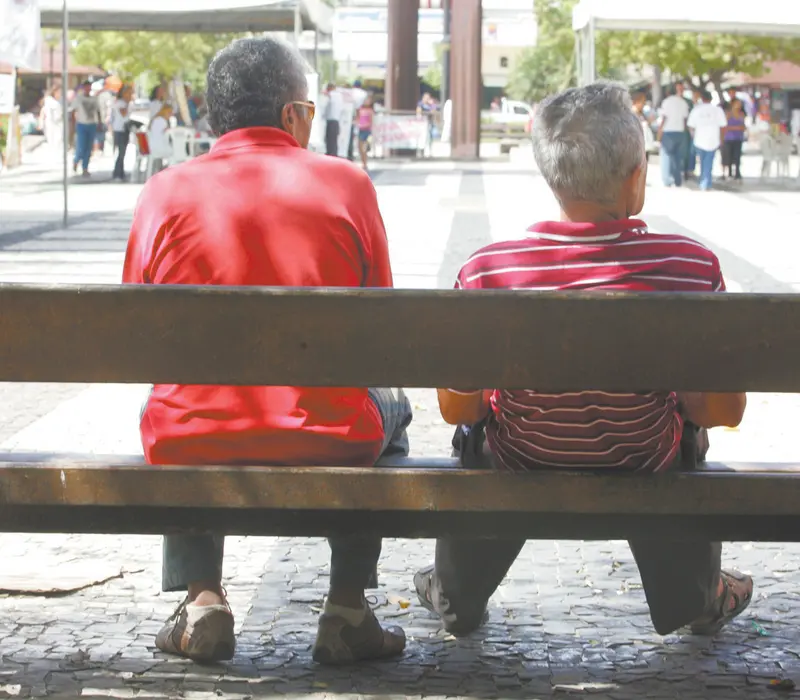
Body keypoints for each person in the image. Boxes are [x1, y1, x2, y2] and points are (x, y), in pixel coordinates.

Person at [413, 81, 752, 641]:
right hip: (647, 459)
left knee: (479, 437)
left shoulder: (488, 272)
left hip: (520, 458)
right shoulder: (688, 268)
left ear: (552, 176)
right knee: (684, 436)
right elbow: (721, 411)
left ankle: (456, 590)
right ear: (636, 177)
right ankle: (696, 595)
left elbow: (459, 410)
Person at [122, 36, 412, 666]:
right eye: (308, 109)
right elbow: (382, 328)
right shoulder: (346, 183)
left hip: (191, 436)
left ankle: (203, 600)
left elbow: (136, 328)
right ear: (290, 114)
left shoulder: (164, 190)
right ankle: (347, 608)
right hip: (331, 434)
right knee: (397, 409)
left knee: (176, 404)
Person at [688, 91, 728, 191]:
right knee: (709, 161)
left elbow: (691, 126)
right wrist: (721, 138)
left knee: (703, 161)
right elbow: (723, 126)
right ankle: (706, 182)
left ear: (702, 99)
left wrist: (693, 136)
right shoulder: (718, 110)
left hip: (699, 139)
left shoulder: (696, 110)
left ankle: (705, 182)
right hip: (713, 139)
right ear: (711, 99)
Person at [657, 84, 690, 187]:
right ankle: (677, 180)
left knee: (666, 155)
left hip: (668, 131)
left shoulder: (666, 102)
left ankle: (667, 180)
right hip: (680, 132)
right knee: (677, 156)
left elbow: (664, 118)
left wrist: (659, 132)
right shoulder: (683, 102)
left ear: (667, 92)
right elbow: (685, 119)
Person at [69, 81, 101, 176]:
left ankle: (85, 167)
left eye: (89, 87)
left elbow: (98, 111)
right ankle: (76, 160)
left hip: (92, 124)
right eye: (86, 87)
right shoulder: (79, 98)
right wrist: (73, 125)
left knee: (89, 147)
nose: (88, 89)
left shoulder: (94, 99)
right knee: (81, 146)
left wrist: (99, 123)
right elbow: (73, 111)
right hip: (82, 124)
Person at [111, 85, 132, 181]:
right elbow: (123, 114)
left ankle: (121, 172)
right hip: (119, 130)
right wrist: (127, 103)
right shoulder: (120, 103)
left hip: (124, 129)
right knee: (121, 152)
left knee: (123, 153)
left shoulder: (126, 103)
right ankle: (117, 173)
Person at [722, 98, 746, 182]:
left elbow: (743, 127)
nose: (739, 105)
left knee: (737, 156)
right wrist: (737, 128)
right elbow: (725, 126)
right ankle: (729, 173)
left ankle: (737, 173)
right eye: (737, 103)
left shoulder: (741, 114)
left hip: (738, 138)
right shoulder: (728, 114)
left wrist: (735, 128)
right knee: (729, 155)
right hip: (728, 138)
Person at [147, 102, 173, 174]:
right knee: (177, 153)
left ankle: (162, 170)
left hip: (152, 147)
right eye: (170, 112)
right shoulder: (163, 122)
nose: (171, 115)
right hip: (160, 148)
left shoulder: (155, 120)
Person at [41, 86, 64, 153]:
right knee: (55, 141)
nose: (60, 94)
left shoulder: (50, 101)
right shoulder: (52, 102)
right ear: (55, 92)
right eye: (59, 92)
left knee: (54, 141)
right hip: (53, 123)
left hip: (52, 123)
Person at [356, 94, 375, 172]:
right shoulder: (360, 109)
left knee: (365, 148)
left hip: (367, 131)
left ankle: (365, 163)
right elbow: (358, 118)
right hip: (361, 130)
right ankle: (363, 162)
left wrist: (366, 125)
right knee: (360, 148)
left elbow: (371, 121)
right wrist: (358, 124)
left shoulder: (370, 111)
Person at [323, 82, 342, 156]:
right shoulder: (339, 96)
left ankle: (330, 153)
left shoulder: (331, 95)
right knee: (334, 140)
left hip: (331, 120)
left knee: (330, 139)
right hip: (336, 120)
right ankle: (333, 153)